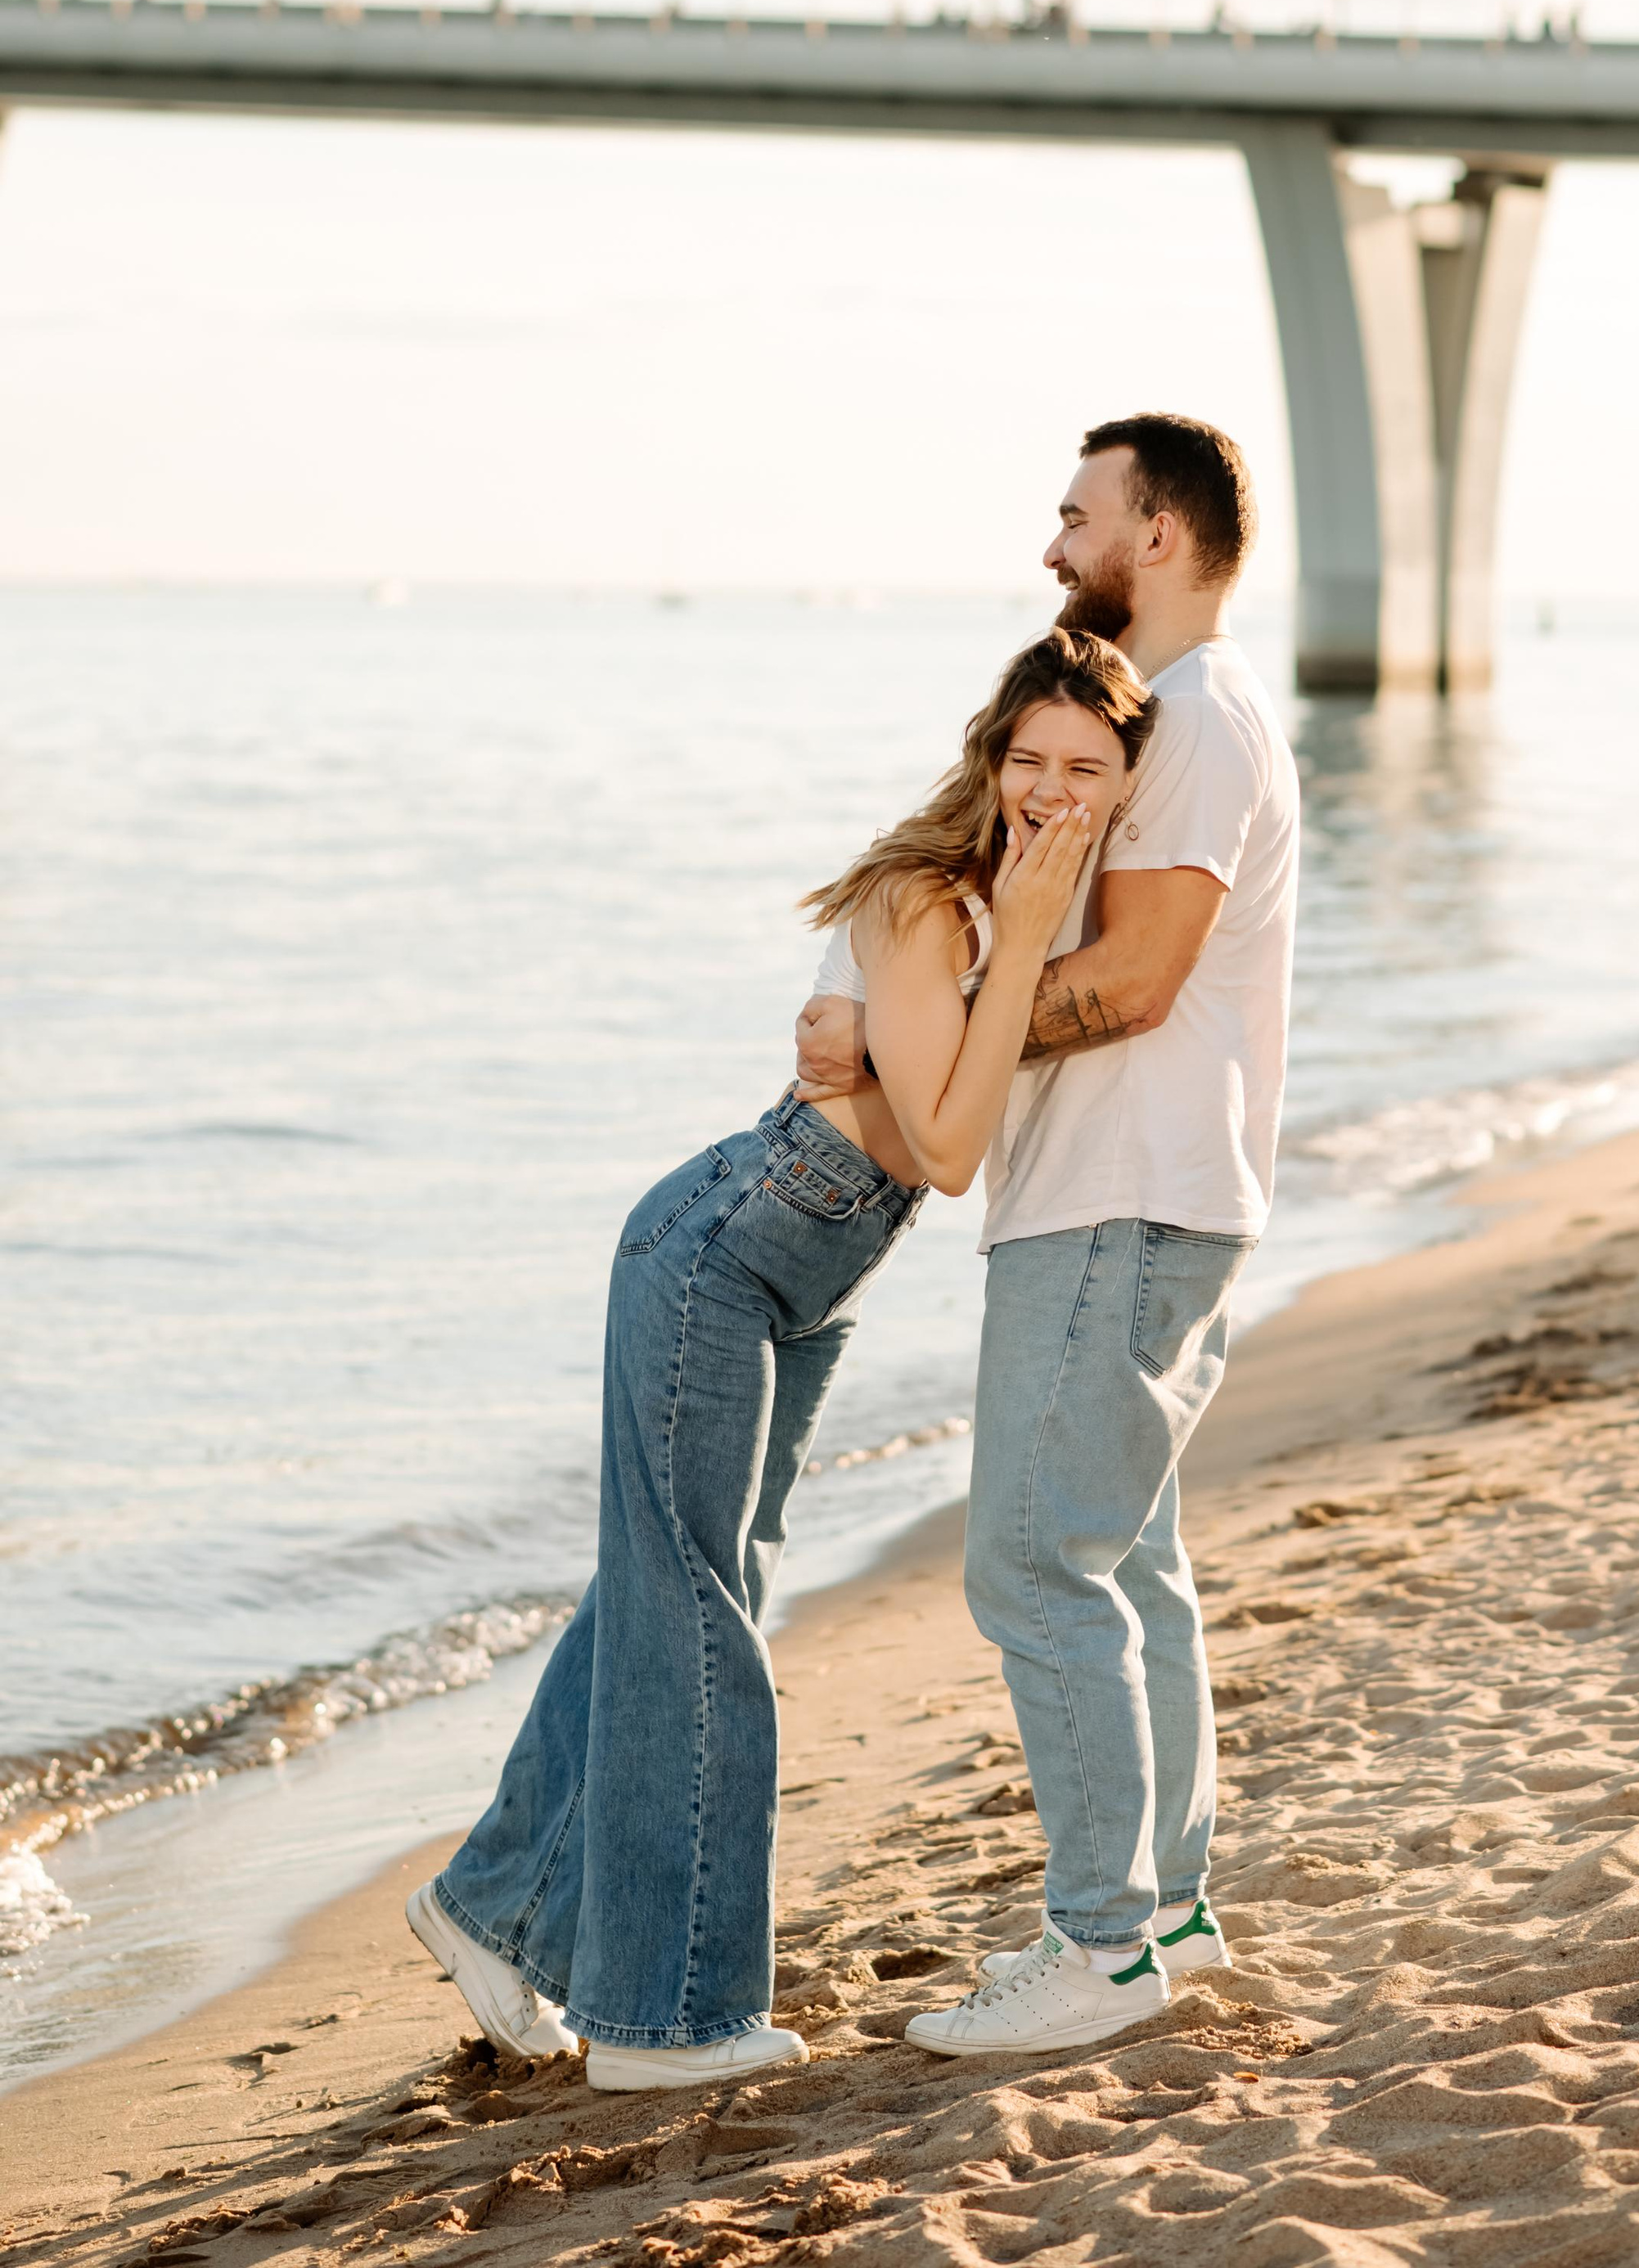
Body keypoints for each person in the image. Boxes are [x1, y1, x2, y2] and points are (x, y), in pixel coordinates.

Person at [407, 628, 1156, 2095]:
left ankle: (492, 1906)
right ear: (988, 761)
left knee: (674, 1581)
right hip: (731, 1242)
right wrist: (992, 951)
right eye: (1031, 763)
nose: (1054, 794)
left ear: (1127, 784)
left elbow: (955, 1085)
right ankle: (660, 2017)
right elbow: (946, 1153)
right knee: (703, 1605)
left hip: (811, 1274)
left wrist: (945, 993)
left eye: (1089, 771)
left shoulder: (1022, 914)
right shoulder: (932, 898)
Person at [795, 413, 1299, 2059]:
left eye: (1075, 511)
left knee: (1031, 1561)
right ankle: (1166, 1917)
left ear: (1154, 532)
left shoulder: (1204, 719)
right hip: (1143, 1195)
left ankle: (1096, 1947)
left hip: (1119, 1197)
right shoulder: (1162, 718)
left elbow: (1135, 980)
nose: (1050, 541)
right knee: (1125, 1562)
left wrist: (917, 1047)